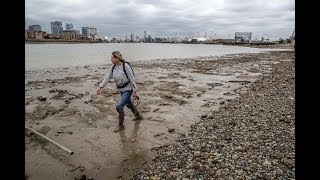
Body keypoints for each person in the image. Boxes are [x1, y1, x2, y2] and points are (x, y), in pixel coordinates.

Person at [96, 51, 142, 132]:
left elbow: (132, 78)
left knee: (119, 106)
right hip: (121, 90)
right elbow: (108, 77)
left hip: (128, 89)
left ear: (117, 58)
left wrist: (135, 91)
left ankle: (121, 125)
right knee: (128, 104)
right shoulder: (113, 67)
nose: (111, 60)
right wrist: (101, 87)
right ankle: (138, 116)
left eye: (112, 58)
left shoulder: (125, 66)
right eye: (111, 58)